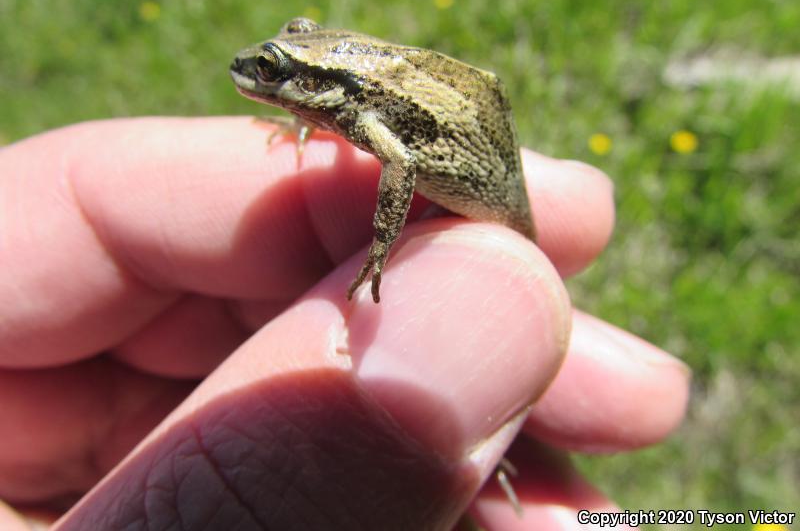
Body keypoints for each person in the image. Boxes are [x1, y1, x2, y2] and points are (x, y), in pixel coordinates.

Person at [0, 117, 689, 530]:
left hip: (480, 185)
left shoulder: (367, 116)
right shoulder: (345, 109)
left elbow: (403, 162)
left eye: (278, 77)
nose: (252, 80)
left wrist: (383, 245)